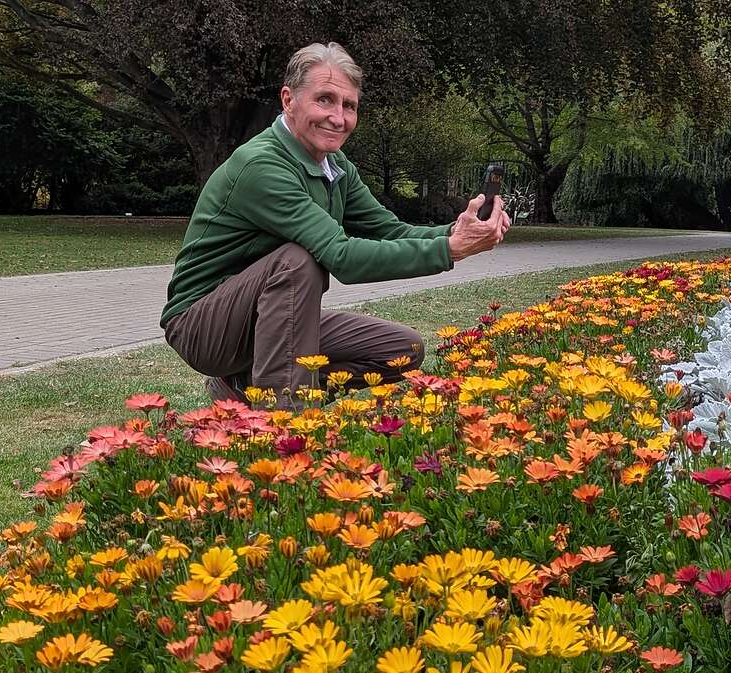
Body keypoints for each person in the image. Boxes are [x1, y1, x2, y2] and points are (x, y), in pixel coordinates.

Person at [160, 41, 510, 408]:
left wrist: (458, 232)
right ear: (288, 100)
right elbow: (342, 256)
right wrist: (450, 250)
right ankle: (283, 422)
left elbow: (390, 231)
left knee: (401, 349)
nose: (338, 118)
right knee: (297, 261)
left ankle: (241, 388)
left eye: (349, 106)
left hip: (267, 318)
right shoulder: (261, 166)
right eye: (324, 99)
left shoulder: (336, 166)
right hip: (202, 327)